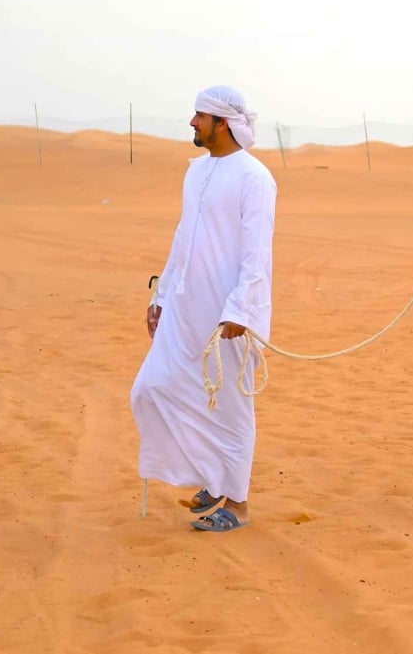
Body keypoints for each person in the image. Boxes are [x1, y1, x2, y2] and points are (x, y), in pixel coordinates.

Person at [131, 85, 278, 532]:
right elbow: (184, 240)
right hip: (183, 305)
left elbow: (257, 254)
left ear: (223, 123)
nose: (192, 123)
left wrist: (240, 310)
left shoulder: (255, 177)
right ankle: (212, 480)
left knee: (231, 408)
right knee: (153, 388)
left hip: (229, 315)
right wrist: (160, 296)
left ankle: (238, 504)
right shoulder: (196, 173)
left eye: (200, 116)